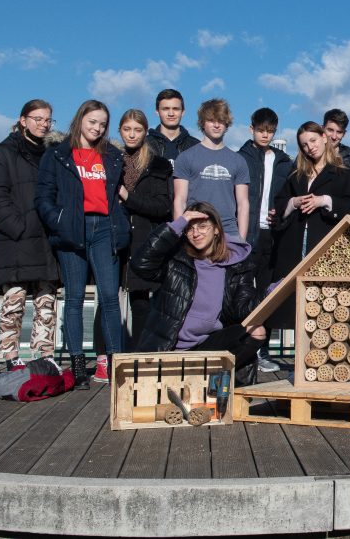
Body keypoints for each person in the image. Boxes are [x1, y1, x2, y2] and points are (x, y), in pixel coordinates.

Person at [36, 100, 130, 387]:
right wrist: (60, 220)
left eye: (102, 124)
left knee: (110, 298)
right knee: (74, 299)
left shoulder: (112, 156)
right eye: (92, 122)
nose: (97, 128)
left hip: (104, 229)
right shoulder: (58, 156)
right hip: (73, 229)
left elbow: (117, 195)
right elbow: (43, 196)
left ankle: (115, 363)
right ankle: (78, 365)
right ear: (80, 120)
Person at [131, 202, 266, 386]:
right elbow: (141, 263)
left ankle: (216, 383)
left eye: (202, 226)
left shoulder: (236, 265)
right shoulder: (176, 259)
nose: (196, 233)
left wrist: (269, 293)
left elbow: (243, 310)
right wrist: (180, 222)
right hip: (172, 347)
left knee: (256, 331)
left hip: (209, 345)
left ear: (217, 230)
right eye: (190, 229)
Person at [0, 99, 60, 371]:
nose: (44, 124)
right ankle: (10, 359)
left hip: (46, 241)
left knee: (46, 304)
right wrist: (20, 227)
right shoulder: (5, 152)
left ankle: (44, 358)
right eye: (38, 118)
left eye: (48, 119)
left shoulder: (53, 152)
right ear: (23, 120)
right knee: (13, 304)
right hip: (15, 242)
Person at [238, 107, 293, 372]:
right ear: (251, 129)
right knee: (244, 291)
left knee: (269, 292)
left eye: (270, 131)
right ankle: (244, 347)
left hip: (273, 234)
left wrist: (280, 216)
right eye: (261, 130)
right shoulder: (241, 157)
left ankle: (264, 350)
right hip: (247, 234)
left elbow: (288, 196)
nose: (265, 135)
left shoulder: (284, 160)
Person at [116, 109, 173, 361]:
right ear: (120, 131)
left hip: (144, 239)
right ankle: (107, 359)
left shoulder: (157, 164)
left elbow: (162, 207)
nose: (132, 134)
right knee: (108, 301)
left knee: (142, 304)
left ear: (145, 132)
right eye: (127, 129)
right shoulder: (111, 160)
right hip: (115, 239)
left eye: (137, 130)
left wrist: (129, 198)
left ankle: (143, 357)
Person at [271, 122, 350, 281]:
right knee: (292, 298)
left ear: (324, 138)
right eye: (304, 144)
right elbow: (279, 204)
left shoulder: (344, 174)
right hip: (293, 246)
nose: (310, 147)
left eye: (313, 140)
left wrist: (324, 201)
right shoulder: (296, 173)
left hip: (327, 246)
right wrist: (293, 202)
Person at [172, 98, 250, 239]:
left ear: (227, 124)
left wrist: (242, 240)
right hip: (196, 231)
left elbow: (243, 203)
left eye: (221, 121)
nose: (216, 125)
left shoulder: (238, 161)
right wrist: (179, 234)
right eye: (211, 120)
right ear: (202, 123)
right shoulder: (185, 158)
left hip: (228, 234)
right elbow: (180, 199)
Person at [146, 88, 200, 164]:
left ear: (183, 112)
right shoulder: (145, 145)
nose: (171, 114)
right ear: (157, 112)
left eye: (176, 109)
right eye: (165, 109)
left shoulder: (196, 146)